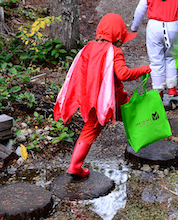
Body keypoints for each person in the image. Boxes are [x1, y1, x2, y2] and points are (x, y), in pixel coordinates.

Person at [54, 13, 151, 178]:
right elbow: (123, 74)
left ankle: (75, 166)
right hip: (109, 100)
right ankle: (142, 146)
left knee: (91, 129)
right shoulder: (114, 52)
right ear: (118, 36)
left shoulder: (88, 48)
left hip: (90, 97)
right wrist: (143, 69)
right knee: (133, 115)